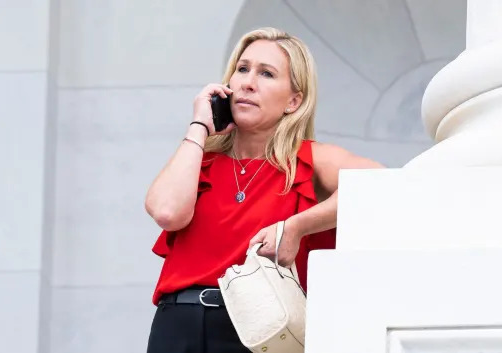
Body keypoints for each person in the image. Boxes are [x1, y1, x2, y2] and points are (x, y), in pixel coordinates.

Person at [144, 27, 383, 352]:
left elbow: (382, 188)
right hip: (178, 323)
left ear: (293, 100)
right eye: (242, 69)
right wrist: (199, 126)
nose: (247, 82)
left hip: (260, 328)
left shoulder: (312, 158)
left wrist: (296, 226)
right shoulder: (200, 158)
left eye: (266, 74)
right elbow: (167, 212)